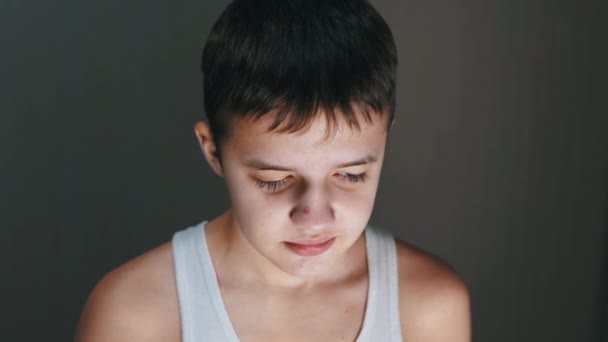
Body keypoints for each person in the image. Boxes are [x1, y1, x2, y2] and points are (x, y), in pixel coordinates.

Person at [75, 0, 471, 340]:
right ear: (213, 150)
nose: (314, 218)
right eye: (275, 180)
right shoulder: (136, 315)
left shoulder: (428, 308)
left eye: (351, 175)